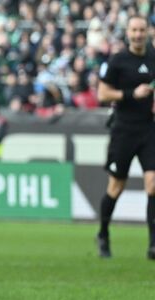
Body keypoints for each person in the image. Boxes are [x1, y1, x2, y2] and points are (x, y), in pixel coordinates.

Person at [95, 15, 155, 259]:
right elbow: (102, 94)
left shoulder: (153, 57)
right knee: (116, 186)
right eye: (134, 30)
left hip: (149, 130)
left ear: (148, 31)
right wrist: (132, 93)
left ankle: (153, 244)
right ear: (128, 32)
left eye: (142, 30)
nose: (138, 34)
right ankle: (103, 234)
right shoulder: (118, 60)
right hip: (124, 130)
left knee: (153, 184)